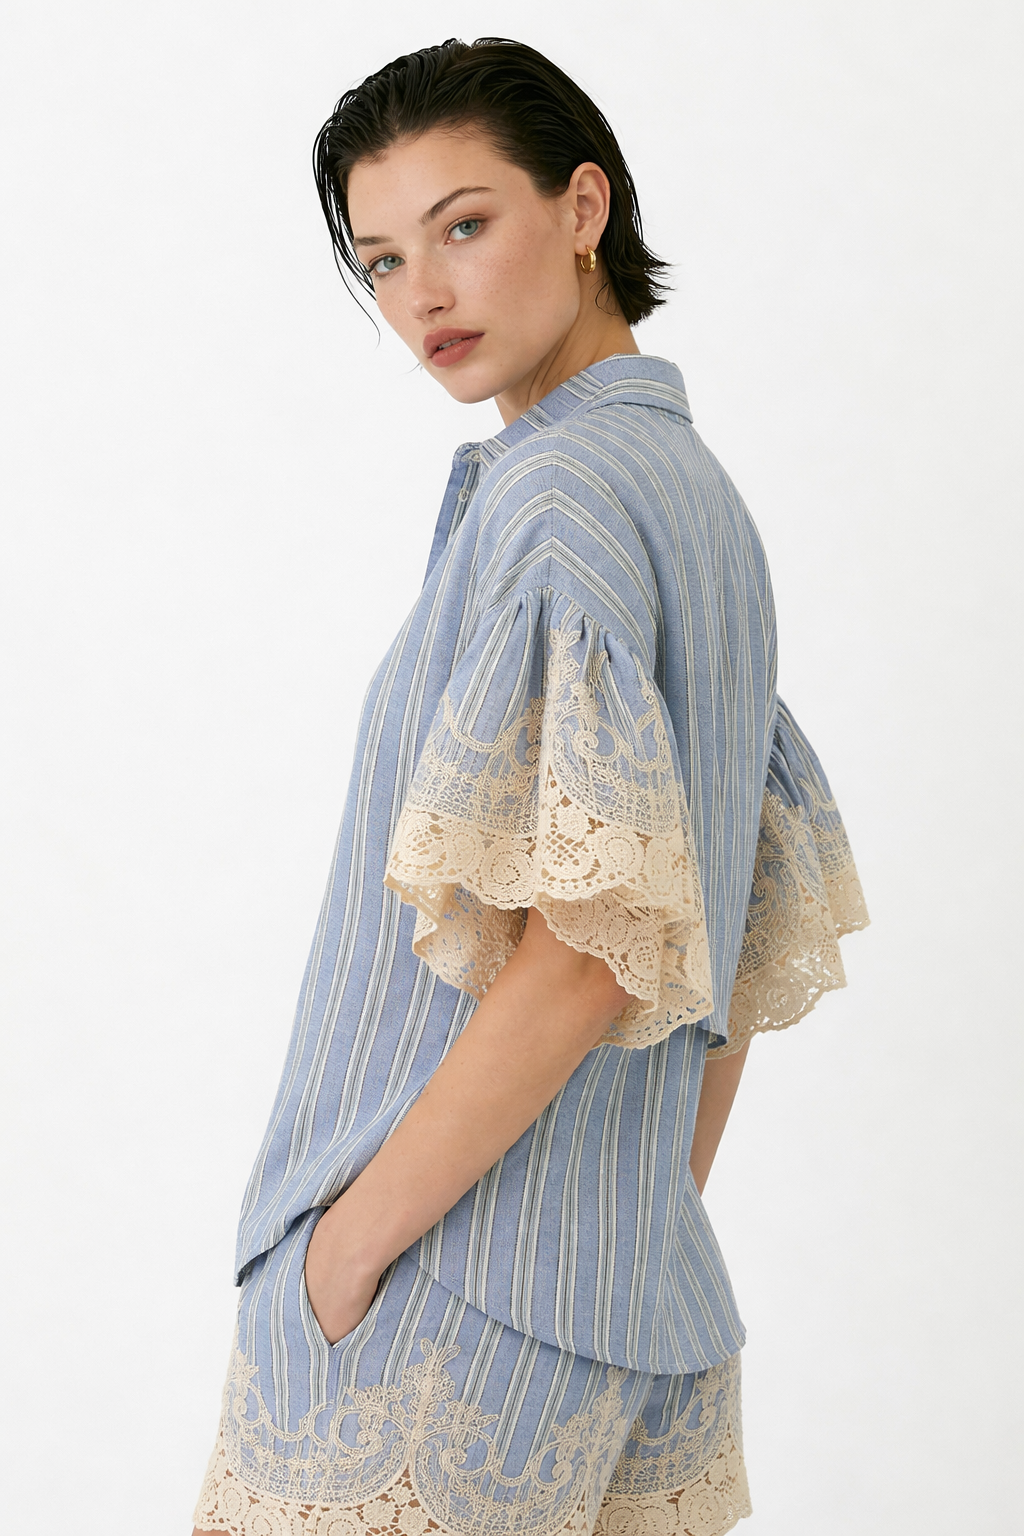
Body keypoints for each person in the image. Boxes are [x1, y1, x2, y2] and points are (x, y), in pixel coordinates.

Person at [192, 36, 868, 1536]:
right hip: (632, 1303)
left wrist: (345, 1256)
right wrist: (630, 1218)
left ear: (583, 207)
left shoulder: (559, 497)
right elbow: (724, 935)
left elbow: (590, 951)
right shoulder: (700, 503)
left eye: (464, 224)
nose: (422, 293)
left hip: (427, 1303)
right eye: (381, 259)